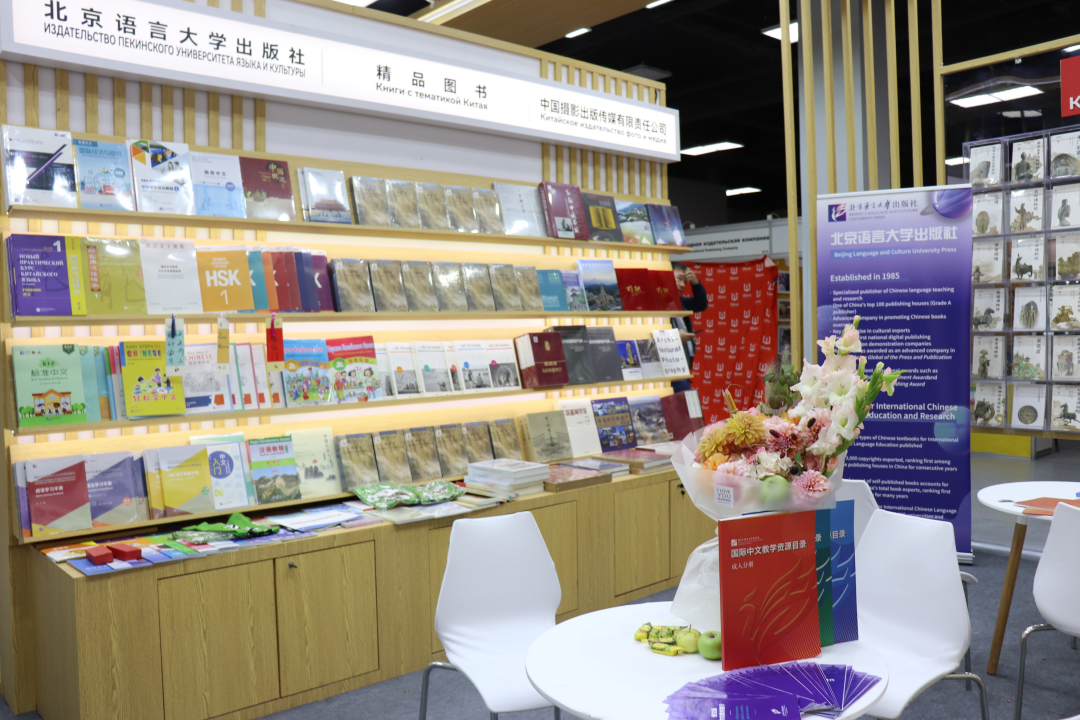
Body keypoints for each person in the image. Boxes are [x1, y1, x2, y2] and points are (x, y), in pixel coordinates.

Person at [671, 262, 708, 393]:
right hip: (668, 372)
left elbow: (701, 303)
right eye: (679, 279)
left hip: (683, 370)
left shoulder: (680, 302)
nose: (682, 285)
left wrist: (695, 283)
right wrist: (675, 337)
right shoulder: (656, 303)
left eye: (685, 282)